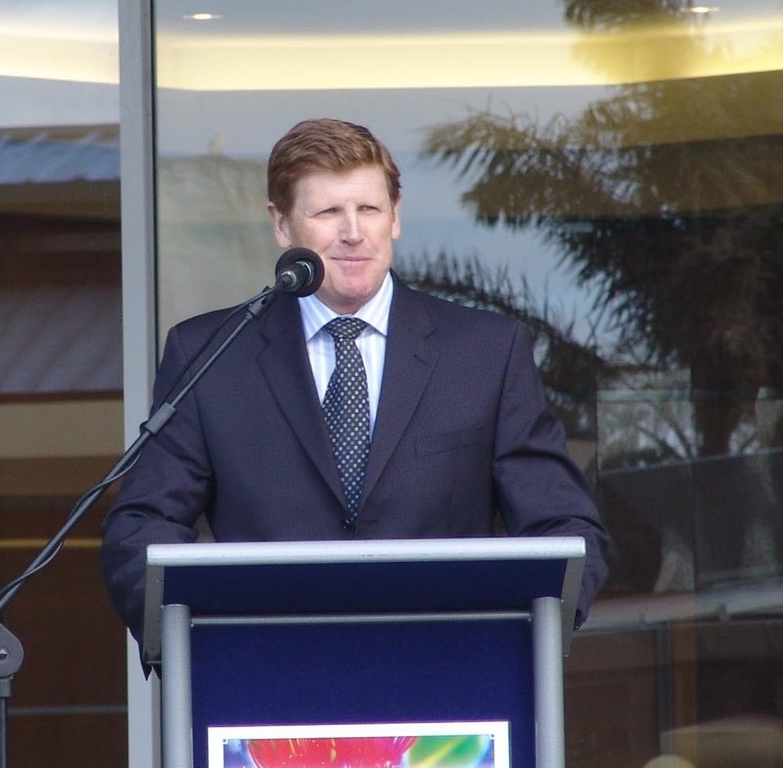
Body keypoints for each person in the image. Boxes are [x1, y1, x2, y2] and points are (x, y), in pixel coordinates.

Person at [100, 118, 609, 655]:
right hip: (262, 677)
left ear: (395, 215)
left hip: (455, 678)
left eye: (369, 209)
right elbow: (142, 528)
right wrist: (194, 646)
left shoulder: (486, 351)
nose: (352, 232)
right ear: (281, 225)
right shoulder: (210, 354)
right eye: (327, 212)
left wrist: (527, 641)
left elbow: (564, 526)